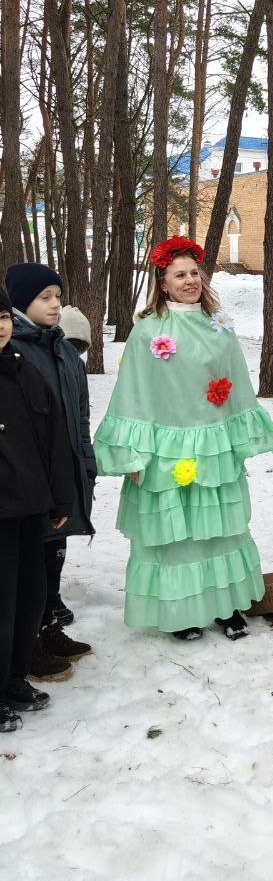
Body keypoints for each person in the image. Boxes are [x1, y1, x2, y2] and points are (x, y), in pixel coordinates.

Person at [93, 236, 273, 640]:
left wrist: (236, 438)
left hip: (213, 448)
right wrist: (133, 455)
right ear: (162, 283)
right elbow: (134, 391)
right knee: (176, 536)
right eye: (179, 275)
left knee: (220, 532)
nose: (190, 280)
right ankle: (183, 613)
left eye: (194, 273)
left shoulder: (219, 326)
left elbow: (236, 382)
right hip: (165, 451)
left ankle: (226, 607)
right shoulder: (148, 331)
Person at [4, 263, 96, 680]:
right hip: (31, 479)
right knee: (32, 563)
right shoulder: (14, 350)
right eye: (45, 297)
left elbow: (81, 414)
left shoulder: (63, 349)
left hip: (65, 471)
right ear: (21, 302)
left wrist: (86, 463)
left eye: (58, 296)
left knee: (55, 554)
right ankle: (29, 642)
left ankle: (47, 627)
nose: (56, 304)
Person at [0, 289, 75, 733]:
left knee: (26, 598)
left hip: (29, 507)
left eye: (3, 316)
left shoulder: (23, 370)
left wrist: (60, 497)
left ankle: (12, 677)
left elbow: (54, 438)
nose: (1, 326)